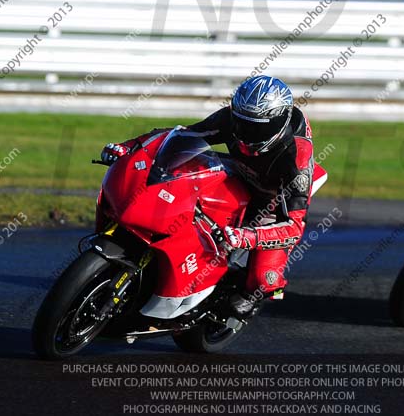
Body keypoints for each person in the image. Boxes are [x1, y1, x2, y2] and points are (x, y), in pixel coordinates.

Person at [100, 75, 315, 318]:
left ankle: (250, 297)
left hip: (272, 199)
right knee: (183, 176)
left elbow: (294, 228)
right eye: (242, 123)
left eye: (258, 127)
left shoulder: (296, 159)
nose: (246, 133)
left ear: (278, 123)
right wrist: (128, 147)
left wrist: (247, 236)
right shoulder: (230, 120)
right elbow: (181, 137)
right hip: (238, 169)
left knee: (263, 279)